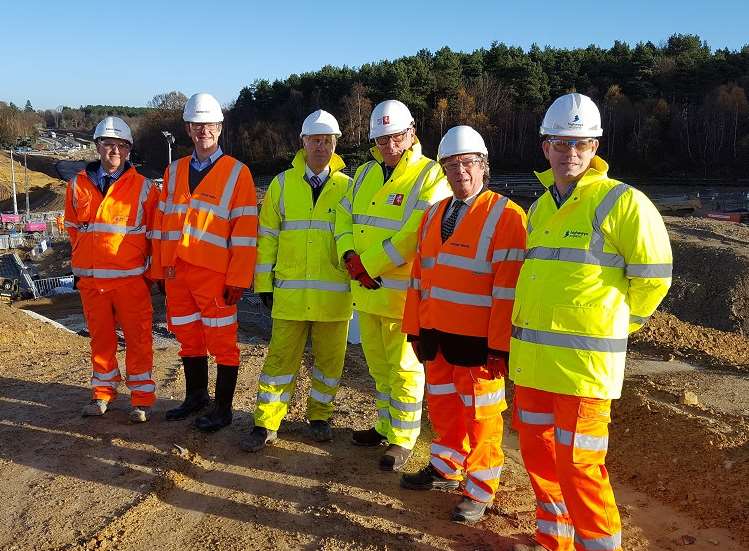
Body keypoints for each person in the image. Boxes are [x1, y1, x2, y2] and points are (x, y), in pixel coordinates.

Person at [510, 93, 672, 551]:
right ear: (546, 147)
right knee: (539, 457)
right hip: (535, 364)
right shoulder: (541, 209)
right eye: (562, 143)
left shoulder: (623, 202)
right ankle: (554, 539)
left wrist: (618, 326)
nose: (571, 153)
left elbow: (654, 277)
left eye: (581, 143)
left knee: (580, 466)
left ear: (596, 146)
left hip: (584, 370)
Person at [399, 126, 527, 522]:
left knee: (483, 418)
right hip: (437, 337)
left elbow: (508, 290)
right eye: (450, 165)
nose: (460, 172)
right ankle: (446, 467)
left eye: (467, 163)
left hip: (477, 347)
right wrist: (414, 328)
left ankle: (480, 488)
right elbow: (419, 276)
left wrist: (497, 346)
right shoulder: (434, 214)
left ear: (483, 166)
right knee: (443, 407)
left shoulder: (507, 216)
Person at [335, 100, 450, 471]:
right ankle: (385, 425)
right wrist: (349, 254)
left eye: (396, 137)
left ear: (411, 132)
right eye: (382, 140)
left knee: (404, 369)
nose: (389, 146)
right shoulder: (366, 173)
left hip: (402, 296)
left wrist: (367, 264)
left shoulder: (430, 176)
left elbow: (416, 232)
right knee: (378, 366)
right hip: (366, 292)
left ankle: (403, 438)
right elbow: (344, 216)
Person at [241, 110, 353, 452]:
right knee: (279, 361)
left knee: (330, 363)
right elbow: (268, 238)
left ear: (336, 144)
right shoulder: (281, 184)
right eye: (315, 140)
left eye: (328, 140)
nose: (322, 146)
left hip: (334, 299)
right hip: (289, 296)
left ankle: (319, 416)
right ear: (302, 142)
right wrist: (263, 285)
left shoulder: (349, 188)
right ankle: (266, 422)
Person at [151, 93, 258, 432]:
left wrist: (238, 278)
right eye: (197, 125)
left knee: (223, 342)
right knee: (188, 336)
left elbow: (245, 231)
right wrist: (159, 270)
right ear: (188, 128)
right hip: (177, 273)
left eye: (209, 125)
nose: (203, 131)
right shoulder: (174, 171)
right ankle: (196, 397)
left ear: (219, 127)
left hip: (215, 275)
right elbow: (162, 222)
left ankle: (223, 409)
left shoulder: (237, 173)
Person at [64, 116, 159, 423]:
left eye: (121, 145)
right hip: (92, 281)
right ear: (97, 147)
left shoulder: (144, 189)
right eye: (108, 144)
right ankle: (102, 393)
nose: (114, 151)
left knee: (138, 338)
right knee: (101, 340)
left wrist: (149, 274)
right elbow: (72, 228)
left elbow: (154, 235)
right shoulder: (78, 184)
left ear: (129, 150)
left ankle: (142, 398)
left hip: (131, 280)